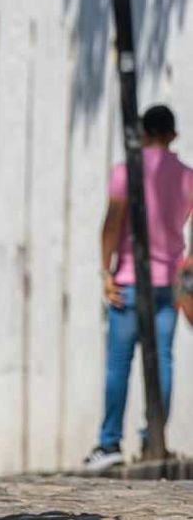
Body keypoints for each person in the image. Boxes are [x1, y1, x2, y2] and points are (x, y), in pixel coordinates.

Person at [85, 105, 193, 471]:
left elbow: (112, 224)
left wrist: (105, 271)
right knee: (162, 359)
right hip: (168, 285)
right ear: (173, 135)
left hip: (129, 281)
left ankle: (109, 442)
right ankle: (154, 438)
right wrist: (185, 271)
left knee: (119, 364)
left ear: (143, 133)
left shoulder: (126, 171)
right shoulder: (186, 177)